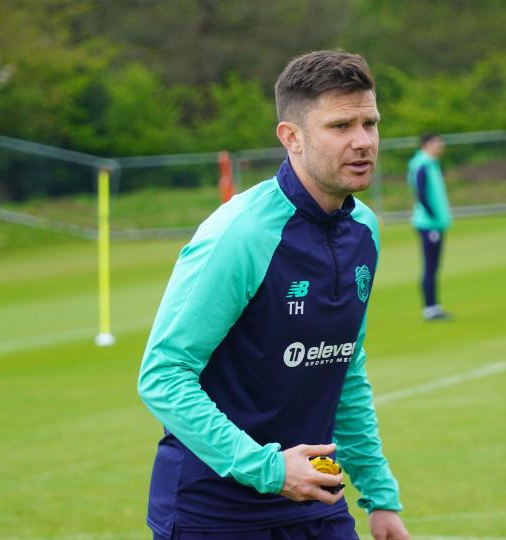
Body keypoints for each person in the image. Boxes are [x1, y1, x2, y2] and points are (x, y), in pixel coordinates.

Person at [136, 49, 409, 540]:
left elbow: (344, 367)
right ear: (292, 137)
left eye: (370, 123)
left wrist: (379, 494)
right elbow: (163, 375)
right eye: (341, 126)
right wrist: (270, 469)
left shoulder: (365, 229)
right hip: (215, 512)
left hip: (315, 500)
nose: (364, 141)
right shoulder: (239, 236)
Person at [407, 132, 452, 320]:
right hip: (428, 225)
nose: (441, 145)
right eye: (437, 142)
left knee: (434, 266)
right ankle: (430, 308)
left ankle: (434, 306)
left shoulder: (431, 164)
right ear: (426, 144)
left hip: (435, 223)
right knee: (430, 266)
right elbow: (421, 194)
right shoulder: (422, 165)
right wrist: (433, 217)